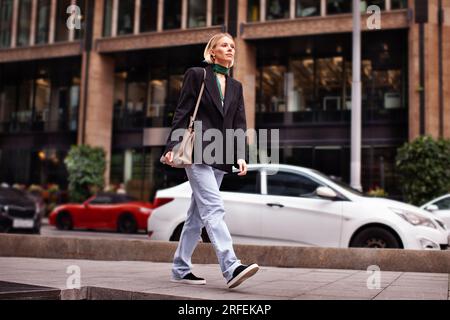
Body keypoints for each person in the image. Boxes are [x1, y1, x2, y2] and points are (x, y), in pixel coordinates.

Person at [162, 33, 259, 289]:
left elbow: (239, 123)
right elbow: (183, 111)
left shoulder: (236, 86)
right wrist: (173, 144)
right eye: (224, 45)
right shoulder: (197, 74)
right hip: (196, 152)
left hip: (221, 154)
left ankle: (180, 268)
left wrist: (240, 155)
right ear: (212, 51)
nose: (230, 49)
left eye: (233, 46)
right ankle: (231, 266)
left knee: (197, 215)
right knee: (214, 207)